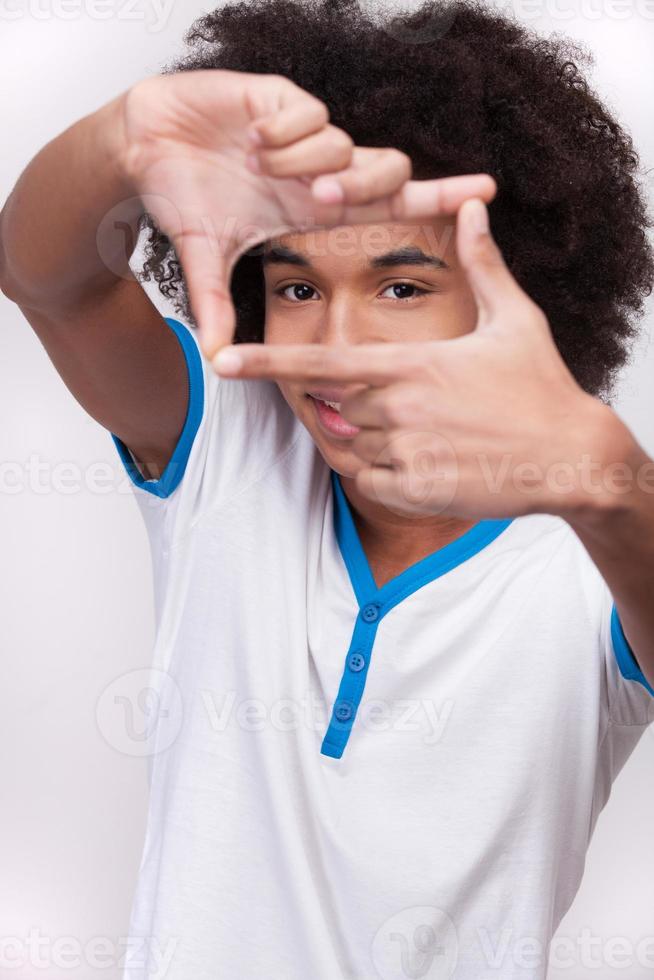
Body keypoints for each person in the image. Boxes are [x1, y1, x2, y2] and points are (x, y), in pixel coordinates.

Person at [1, 0, 653, 977]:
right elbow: (47, 279)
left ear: (518, 300)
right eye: (298, 287)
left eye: (401, 287)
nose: (337, 344)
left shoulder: (596, 560)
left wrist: (609, 480)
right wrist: (126, 137)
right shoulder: (229, 442)